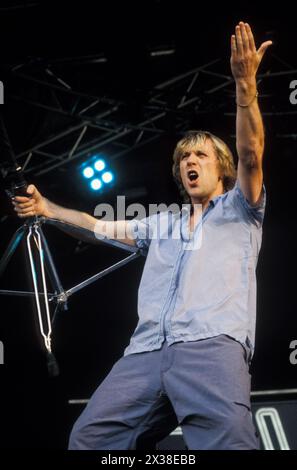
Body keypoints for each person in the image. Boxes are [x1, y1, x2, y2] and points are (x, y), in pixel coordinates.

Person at [13, 22, 272, 450]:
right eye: (184, 156)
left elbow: (251, 152)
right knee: (90, 440)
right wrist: (47, 208)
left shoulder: (242, 207)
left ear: (221, 167)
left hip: (210, 347)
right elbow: (96, 227)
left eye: (200, 155)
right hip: (146, 351)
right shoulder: (162, 222)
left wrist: (245, 85)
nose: (190, 160)